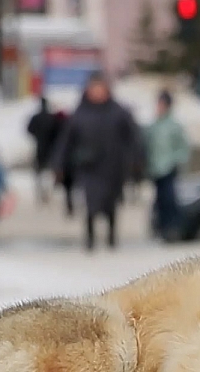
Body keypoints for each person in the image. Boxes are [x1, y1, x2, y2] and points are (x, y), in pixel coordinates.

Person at [51, 71, 140, 251]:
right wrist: (58, 164)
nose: (97, 92)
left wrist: (136, 160)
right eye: (94, 88)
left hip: (113, 167)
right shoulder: (80, 113)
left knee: (110, 204)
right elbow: (66, 141)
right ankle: (90, 239)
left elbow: (133, 138)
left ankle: (111, 238)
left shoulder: (118, 112)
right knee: (90, 204)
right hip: (88, 167)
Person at [144, 89, 191, 241]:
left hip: (169, 168)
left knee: (170, 199)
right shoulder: (154, 125)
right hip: (155, 169)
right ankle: (161, 228)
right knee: (159, 201)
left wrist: (176, 161)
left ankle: (173, 229)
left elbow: (183, 147)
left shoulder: (174, 126)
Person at [27, 96, 60, 204]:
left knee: (39, 173)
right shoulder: (52, 117)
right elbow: (58, 131)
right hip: (51, 148)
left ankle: (41, 193)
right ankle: (48, 192)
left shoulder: (36, 117)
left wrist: (37, 136)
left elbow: (29, 129)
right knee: (49, 172)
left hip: (40, 148)